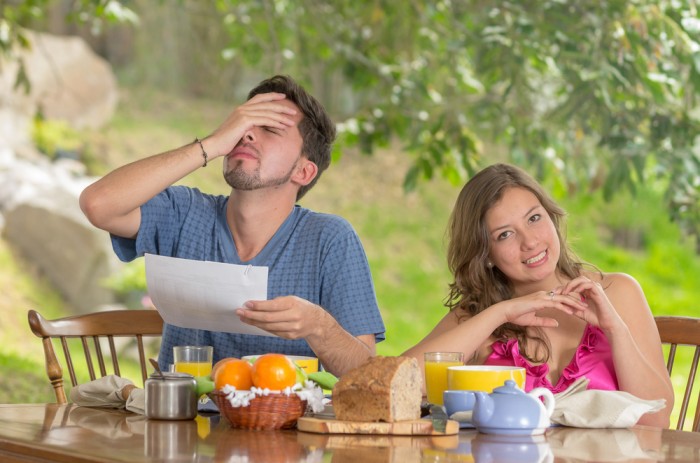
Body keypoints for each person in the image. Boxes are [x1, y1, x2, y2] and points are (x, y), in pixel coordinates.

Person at [80, 75, 385, 376]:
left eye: (268, 129)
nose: (246, 135)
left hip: (289, 424)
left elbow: (366, 373)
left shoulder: (330, 240)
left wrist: (319, 326)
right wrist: (210, 145)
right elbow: (98, 204)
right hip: (185, 422)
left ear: (304, 172)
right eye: (242, 125)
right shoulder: (184, 214)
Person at [403, 163, 673, 427]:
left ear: (551, 217)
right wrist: (502, 312)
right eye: (505, 234)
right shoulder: (478, 316)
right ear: (485, 254)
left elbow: (655, 419)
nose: (530, 242)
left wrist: (615, 329)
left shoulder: (618, 293)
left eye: (534, 218)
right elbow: (399, 383)